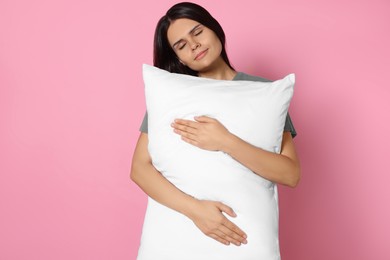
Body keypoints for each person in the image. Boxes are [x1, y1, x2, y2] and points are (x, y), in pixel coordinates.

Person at [131, 2, 300, 259]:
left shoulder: (264, 92)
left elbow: (290, 174)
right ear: (178, 57)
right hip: (177, 241)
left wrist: (226, 141)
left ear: (214, 29)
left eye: (197, 32)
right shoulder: (172, 96)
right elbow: (139, 169)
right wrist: (197, 211)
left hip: (245, 244)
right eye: (181, 45)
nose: (194, 45)